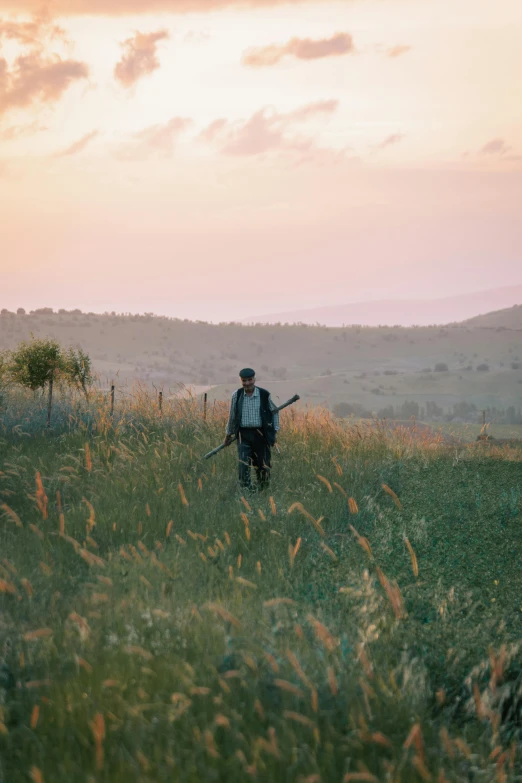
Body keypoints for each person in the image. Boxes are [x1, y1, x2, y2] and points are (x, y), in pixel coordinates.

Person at [224, 368, 280, 490]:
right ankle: (246, 492)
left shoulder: (264, 395)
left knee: (262, 465)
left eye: (250, 380)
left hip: (261, 435)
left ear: (254, 379)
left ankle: (263, 490)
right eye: (244, 380)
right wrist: (228, 435)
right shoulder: (237, 395)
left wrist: (274, 431)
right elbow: (232, 416)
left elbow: (275, 412)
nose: (247, 383)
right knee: (243, 464)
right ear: (241, 381)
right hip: (242, 436)